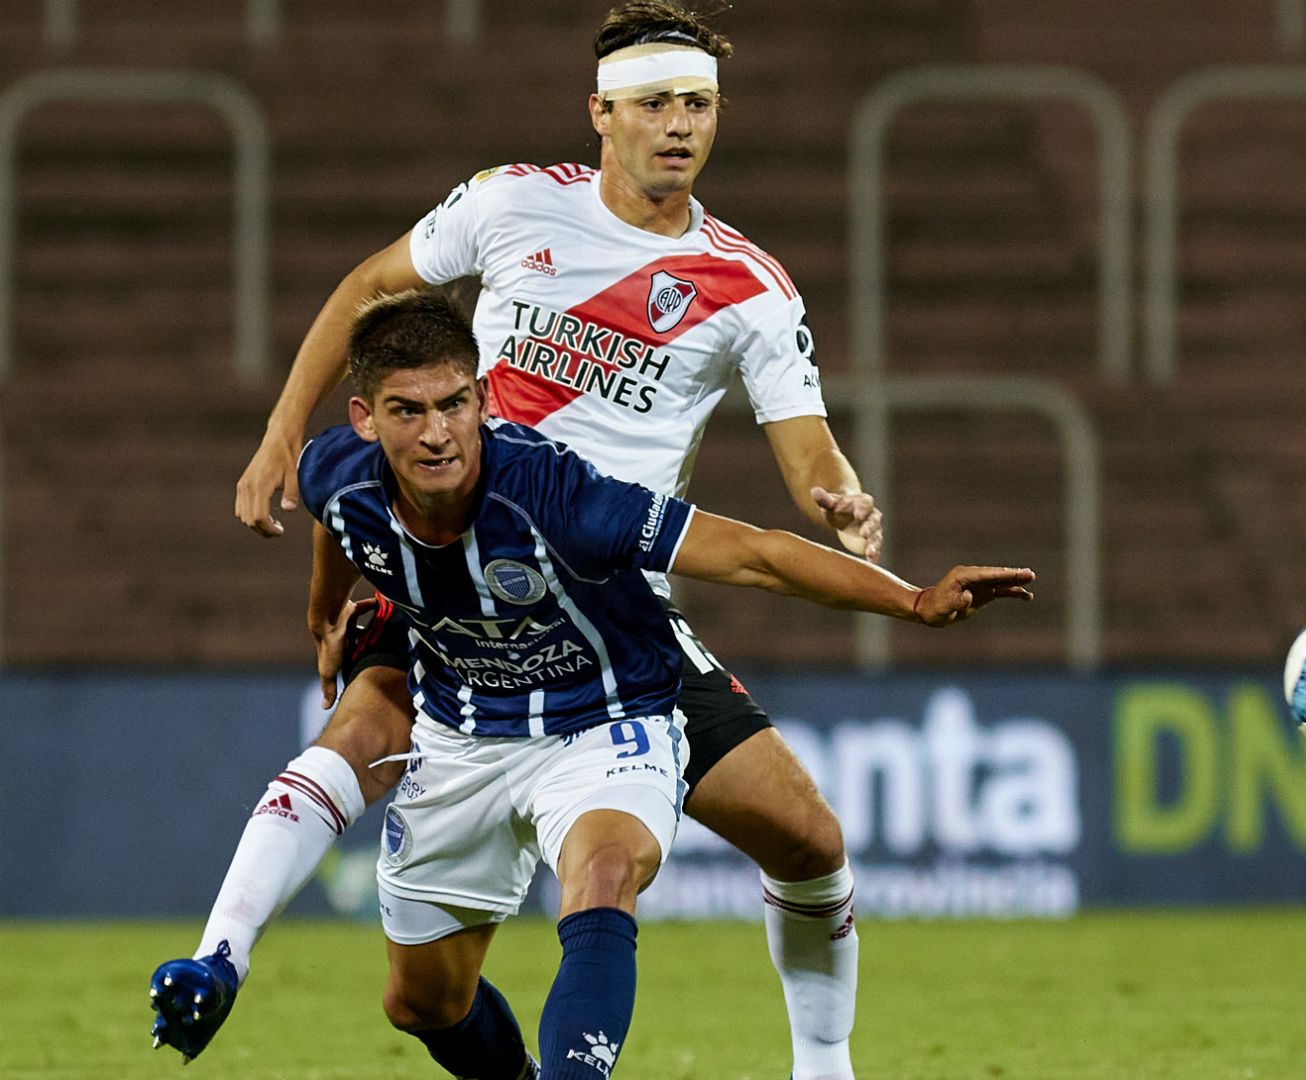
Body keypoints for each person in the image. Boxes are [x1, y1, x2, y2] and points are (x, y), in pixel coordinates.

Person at [151, 4, 890, 1077]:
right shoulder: (511, 205)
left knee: (811, 841)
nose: (677, 125)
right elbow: (370, 294)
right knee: (416, 969)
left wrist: (843, 498)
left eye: (697, 104)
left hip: (603, 605)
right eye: (653, 104)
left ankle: (826, 1071)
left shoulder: (752, 290)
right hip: (443, 564)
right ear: (601, 113)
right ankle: (223, 950)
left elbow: (808, 451)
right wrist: (279, 433)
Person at [158, 290, 1032, 1080]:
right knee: (420, 1001)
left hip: (608, 715)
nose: (436, 434)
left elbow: (756, 555)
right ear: (364, 419)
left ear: (485, 400)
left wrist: (913, 601)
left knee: (611, 868)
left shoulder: (558, 494)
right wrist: (326, 611)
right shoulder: (335, 474)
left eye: (454, 405)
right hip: (466, 731)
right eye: (408, 412)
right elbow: (336, 523)